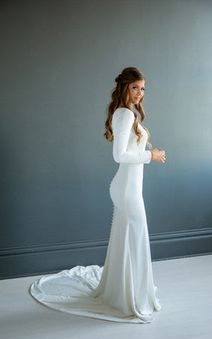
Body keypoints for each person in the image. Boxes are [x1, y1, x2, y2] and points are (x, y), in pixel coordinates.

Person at [29, 67, 166, 324]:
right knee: (135, 239)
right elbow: (119, 156)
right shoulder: (124, 114)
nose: (140, 93)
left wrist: (149, 148)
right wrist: (151, 156)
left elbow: (130, 148)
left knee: (128, 240)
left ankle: (124, 294)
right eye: (135, 87)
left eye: (143, 88)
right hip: (126, 190)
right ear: (125, 87)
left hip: (128, 187)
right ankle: (130, 298)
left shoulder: (128, 113)